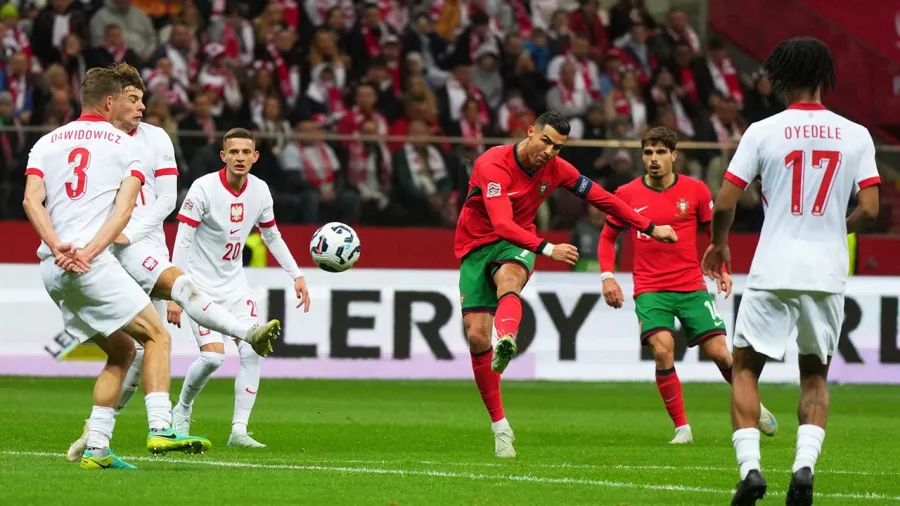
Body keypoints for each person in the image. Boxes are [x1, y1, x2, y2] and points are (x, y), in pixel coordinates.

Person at [65, 63, 283, 462]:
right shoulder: (92, 141)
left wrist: (128, 233)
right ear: (110, 102)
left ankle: (241, 337)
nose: (143, 107)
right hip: (96, 250)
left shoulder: (156, 139)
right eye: (134, 100)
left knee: (172, 302)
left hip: (139, 241)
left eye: (143, 99)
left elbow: (165, 199)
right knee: (136, 349)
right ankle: (98, 433)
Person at [700, 37, 881, 506]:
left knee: (744, 368)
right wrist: (834, 229)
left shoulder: (763, 131)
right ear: (825, 77)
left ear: (781, 77)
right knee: (815, 376)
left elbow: (725, 200)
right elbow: (872, 207)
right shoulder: (856, 134)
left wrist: (718, 245)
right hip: (826, 273)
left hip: (772, 267)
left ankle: (752, 471)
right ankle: (803, 467)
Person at [455, 110, 679, 458]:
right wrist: (549, 249)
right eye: (545, 141)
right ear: (530, 132)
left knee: (510, 278)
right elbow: (500, 223)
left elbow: (602, 198)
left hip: (520, 240)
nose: (549, 151)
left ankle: (509, 338)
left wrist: (649, 226)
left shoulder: (558, 169)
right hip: (477, 244)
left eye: (557, 147)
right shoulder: (493, 164)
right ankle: (501, 426)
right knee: (475, 336)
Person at [22, 66, 210, 471]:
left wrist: (58, 246)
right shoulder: (127, 146)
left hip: (53, 269)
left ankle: (98, 449)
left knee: (123, 350)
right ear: (110, 102)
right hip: (91, 264)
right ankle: (162, 426)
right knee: (157, 335)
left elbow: (30, 201)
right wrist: (88, 252)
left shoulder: (47, 142)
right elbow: (126, 210)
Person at [598, 126, 777, 444]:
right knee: (662, 350)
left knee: (722, 355)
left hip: (691, 287)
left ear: (674, 156)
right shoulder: (626, 194)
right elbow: (608, 237)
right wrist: (607, 275)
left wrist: (721, 268)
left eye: (661, 152)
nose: (654, 159)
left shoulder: (695, 191)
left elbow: (715, 236)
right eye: (648, 152)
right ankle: (682, 428)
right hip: (651, 289)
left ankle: (754, 406)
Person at [168, 128, 311, 447]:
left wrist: (296, 275)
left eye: (246, 152)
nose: (240, 158)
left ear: (256, 157)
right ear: (223, 156)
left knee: (252, 351)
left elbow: (271, 235)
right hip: (197, 288)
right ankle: (182, 410)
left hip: (235, 287)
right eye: (234, 152)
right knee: (213, 359)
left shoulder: (260, 191)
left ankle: (239, 431)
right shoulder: (203, 188)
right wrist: (174, 291)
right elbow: (183, 239)